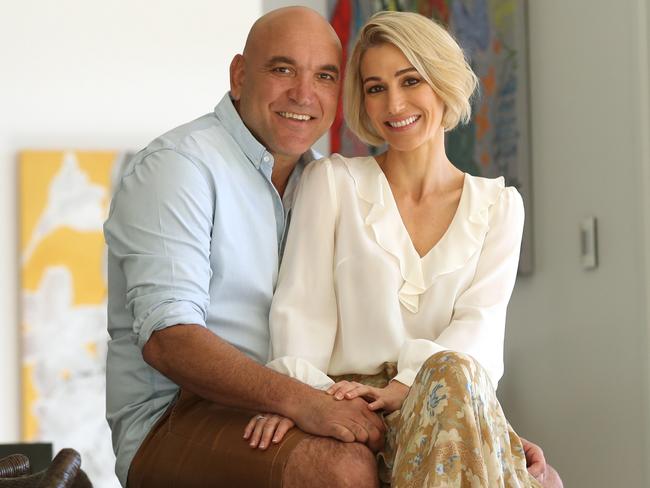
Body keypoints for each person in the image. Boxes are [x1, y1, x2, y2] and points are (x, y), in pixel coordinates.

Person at [104, 5, 558, 487]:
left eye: (324, 76)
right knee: (342, 467)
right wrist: (298, 399)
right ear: (239, 75)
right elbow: (169, 340)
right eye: (282, 69)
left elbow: (476, 334)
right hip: (183, 413)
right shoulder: (180, 168)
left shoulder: (311, 170)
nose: (303, 93)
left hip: (329, 394)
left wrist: (477, 422)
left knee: (542, 479)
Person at [245, 10, 562, 488]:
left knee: (452, 370)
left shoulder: (499, 206)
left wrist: (407, 385)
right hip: (352, 404)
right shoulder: (333, 183)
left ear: (442, 82)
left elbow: (481, 330)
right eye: (375, 88)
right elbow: (300, 313)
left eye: (410, 80)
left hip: (452, 400)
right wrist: (301, 397)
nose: (394, 104)